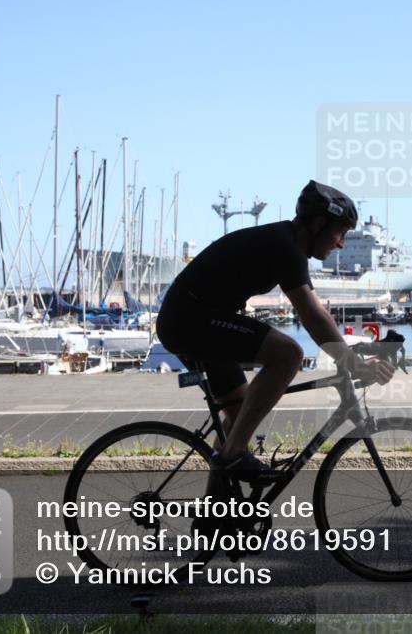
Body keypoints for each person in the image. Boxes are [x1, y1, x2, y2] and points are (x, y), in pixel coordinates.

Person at [155, 180, 396, 482]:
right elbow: (313, 317)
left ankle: (217, 519)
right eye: (341, 232)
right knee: (288, 354)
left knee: (240, 415)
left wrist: (348, 355)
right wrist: (353, 363)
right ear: (320, 223)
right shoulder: (286, 247)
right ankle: (233, 456)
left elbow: (317, 314)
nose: (341, 244)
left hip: (191, 319)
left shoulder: (286, 242)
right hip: (190, 320)